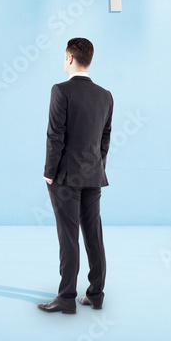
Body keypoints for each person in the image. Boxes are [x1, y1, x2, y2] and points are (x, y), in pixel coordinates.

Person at [37, 37, 113, 315]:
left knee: (68, 237)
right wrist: (97, 166)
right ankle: (96, 295)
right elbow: (105, 139)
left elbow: (54, 135)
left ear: (69, 58)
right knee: (94, 235)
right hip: (94, 175)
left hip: (65, 177)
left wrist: (49, 172)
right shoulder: (106, 95)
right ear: (89, 59)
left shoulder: (60, 90)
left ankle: (67, 298)